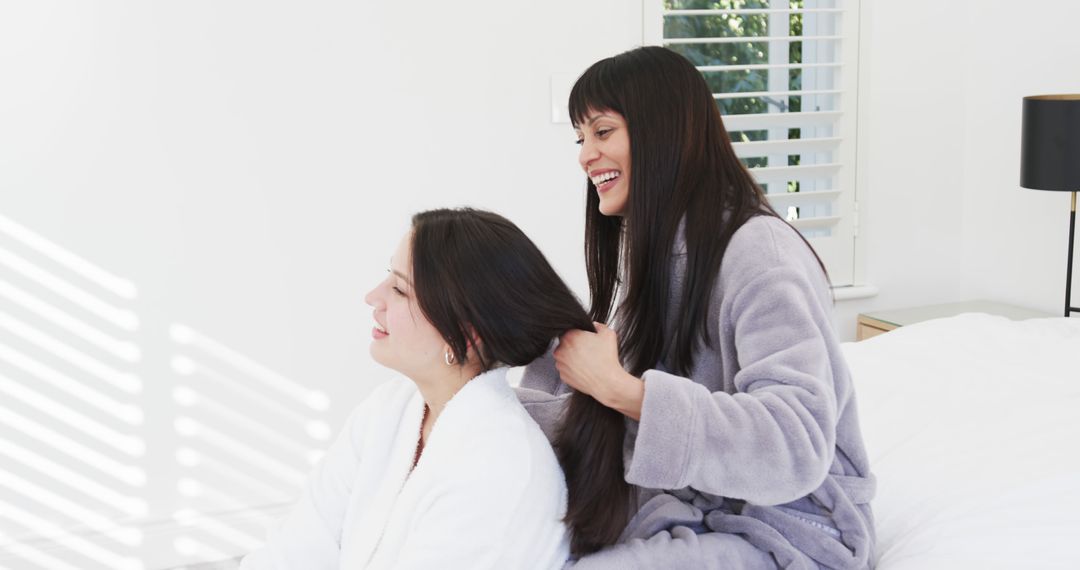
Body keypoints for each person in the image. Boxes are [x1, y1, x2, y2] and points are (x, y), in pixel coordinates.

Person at [515, 46, 876, 569]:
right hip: (692, 510)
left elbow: (793, 444)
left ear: (663, 132)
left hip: (796, 529)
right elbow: (621, 420)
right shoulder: (659, 256)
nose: (584, 155)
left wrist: (621, 390)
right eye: (580, 137)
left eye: (602, 131)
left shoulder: (761, 254)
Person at [241, 208, 587, 570]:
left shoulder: (499, 468)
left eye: (400, 289)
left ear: (466, 335)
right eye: (386, 276)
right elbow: (297, 547)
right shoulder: (389, 410)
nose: (373, 297)